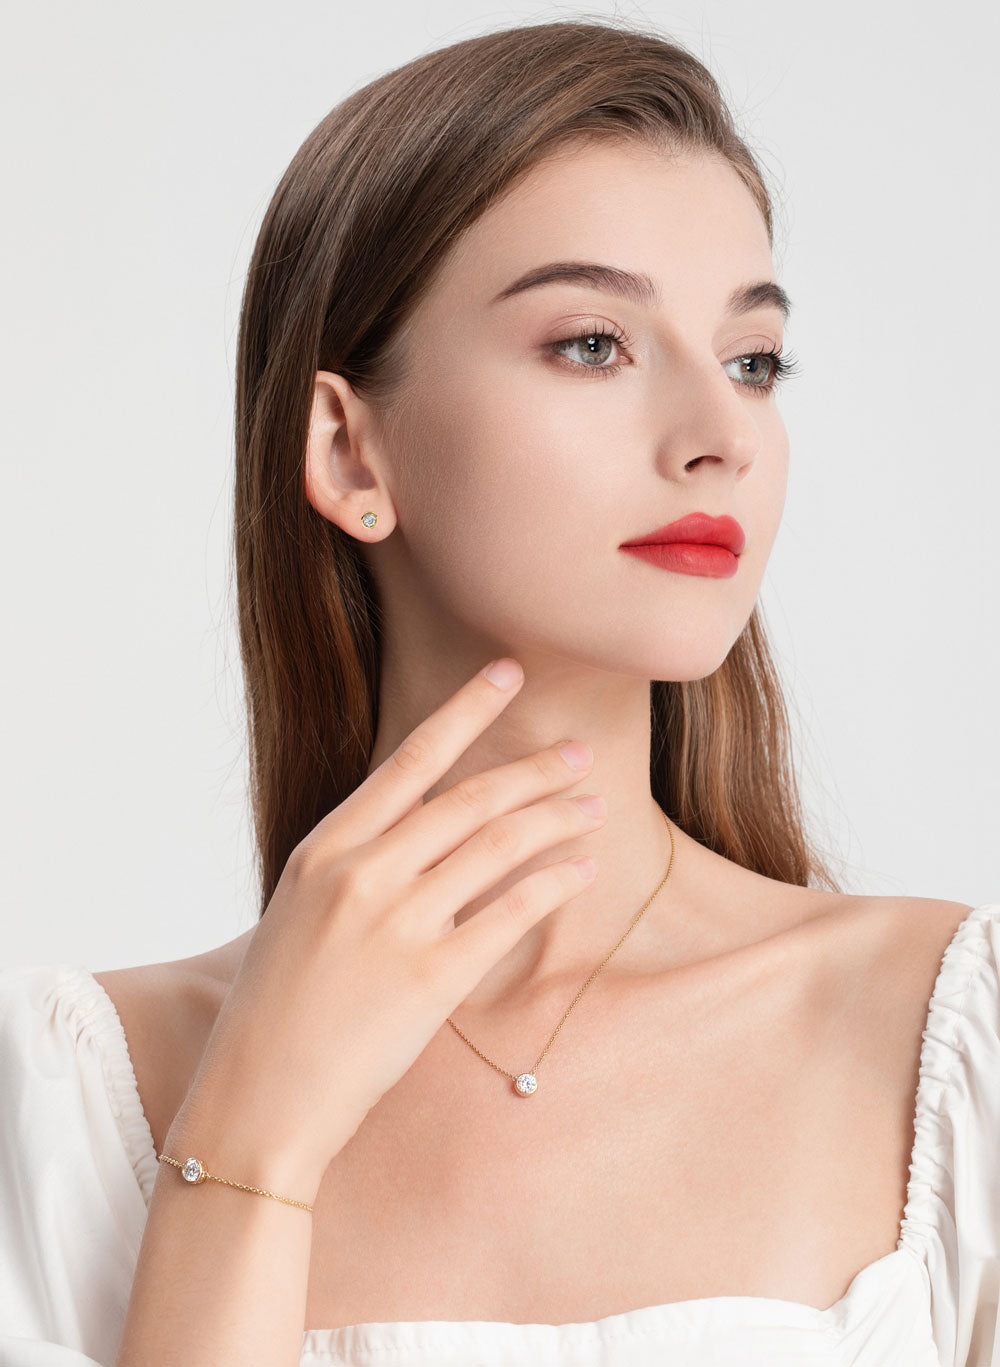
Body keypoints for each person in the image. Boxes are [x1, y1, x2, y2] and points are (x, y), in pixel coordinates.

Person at [1, 16, 995, 1367]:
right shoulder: (76, 1098)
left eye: (751, 359)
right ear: (350, 451)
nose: (719, 439)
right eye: (593, 344)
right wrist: (249, 1142)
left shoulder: (957, 1049)